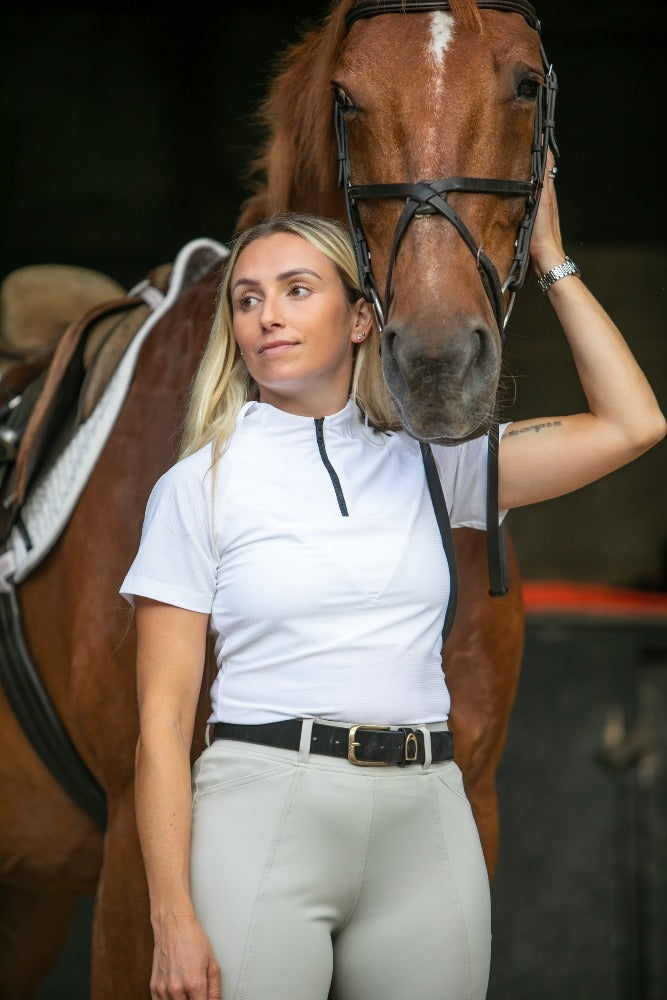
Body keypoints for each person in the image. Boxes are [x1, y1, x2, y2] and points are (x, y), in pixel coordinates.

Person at [120, 153, 666, 1000]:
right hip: (261, 808)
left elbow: (631, 423)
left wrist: (550, 260)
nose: (268, 315)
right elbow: (159, 726)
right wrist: (169, 919)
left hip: (425, 813)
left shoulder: (431, 463)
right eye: (248, 298)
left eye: (298, 289)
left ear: (363, 317)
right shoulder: (198, 485)